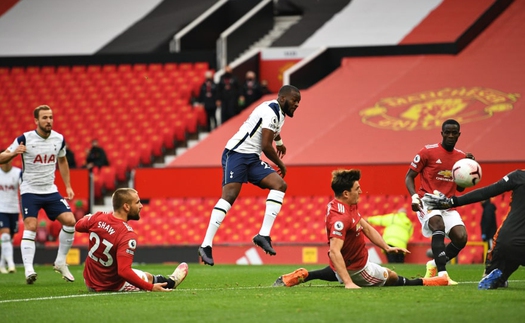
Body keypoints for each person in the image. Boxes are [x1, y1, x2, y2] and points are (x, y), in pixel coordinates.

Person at [273, 169, 449, 288]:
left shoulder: (346, 204)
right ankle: (427, 282)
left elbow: (365, 226)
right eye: (357, 188)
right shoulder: (340, 218)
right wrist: (349, 283)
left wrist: (386, 247)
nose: (361, 191)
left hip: (346, 264)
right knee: (392, 277)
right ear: (346, 193)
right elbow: (335, 251)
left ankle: (305, 275)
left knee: (336, 271)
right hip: (358, 270)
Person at [198, 85, 301, 266]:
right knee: (229, 197)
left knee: (280, 185)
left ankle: (263, 235)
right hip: (236, 153)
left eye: (298, 102)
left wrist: (281, 142)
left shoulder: (280, 113)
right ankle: (206, 245)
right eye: (294, 101)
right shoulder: (270, 111)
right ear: (283, 98)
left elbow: (274, 132)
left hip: (252, 158)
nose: (296, 105)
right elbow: (266, 146)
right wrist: (281, 163)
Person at [0, 105, 77, 284]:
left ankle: (60, 262)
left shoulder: (59, 139)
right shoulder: (24, 139)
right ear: (36, 120)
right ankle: (29, 270)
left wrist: (68, 186)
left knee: (71, 221)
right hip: (30, 191)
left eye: (50, 117)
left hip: (50, 190)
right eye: (44, 118)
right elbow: (2, 157)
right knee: (31, 225)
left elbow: (63, 160)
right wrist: (13, 154)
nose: (48, 121)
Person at [422, 169, 525, 289]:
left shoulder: (519, 176)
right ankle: (499, 276)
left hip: (508, 242)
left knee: (506, 249)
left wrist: (452, 201)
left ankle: (496, 276)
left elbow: (487, 192)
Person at [75, 188, 188, 292]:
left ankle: (167, 281)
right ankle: (171, 283)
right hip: (111, 286)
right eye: (137, 202)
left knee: (147, 276)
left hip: (89, 282)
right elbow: (123, 271)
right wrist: (151, 287)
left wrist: (89, 217)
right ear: (126, 207)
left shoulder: (98, 217)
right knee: (145, 279)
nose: (141, 206)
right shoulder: (127, 234)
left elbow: (78, 226)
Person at [405, 119, 474, 285]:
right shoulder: (427, 152)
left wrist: (468, 170)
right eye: (447, 132)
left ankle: (433, 264)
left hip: (447, 204)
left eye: (454, 133)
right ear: (442, 133)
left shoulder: (461, 157)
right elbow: (409, 177)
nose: (450, 135)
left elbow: (460, 190)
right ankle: (443, 274)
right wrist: (414, 196)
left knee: (461, 238)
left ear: (459, 135)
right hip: (427, 200)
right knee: (438, 225)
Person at [0, 154, 21, 274]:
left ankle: (2, 264)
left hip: (14, 208)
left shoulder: (18, 173)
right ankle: (11, 264)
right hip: (1, 209)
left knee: (9, 239)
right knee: (5, 235)